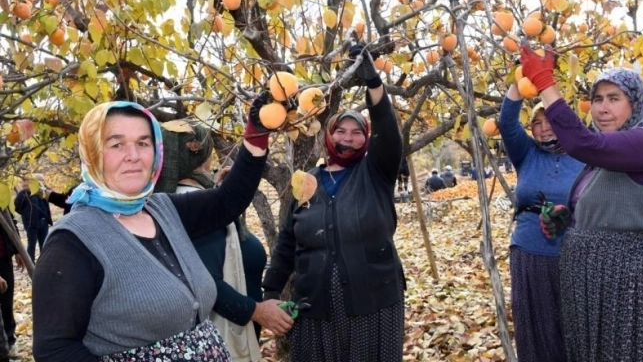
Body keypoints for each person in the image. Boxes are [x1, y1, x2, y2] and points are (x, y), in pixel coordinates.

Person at [32, 96, 280, 361]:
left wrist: (257, 131)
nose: (133, 156)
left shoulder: (162, 210)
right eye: (117, 144)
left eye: (143, 143)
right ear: (92, 153)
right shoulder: (72, 243)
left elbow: (228, 200)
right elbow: (55, 350)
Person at [521, 44, 643, 362]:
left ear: (634, 104)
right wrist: (569, 218)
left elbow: (580, 141)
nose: (603, 108)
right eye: (597, 99)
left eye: (614, 98)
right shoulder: (601, 158)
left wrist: (543, 83)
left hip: (630, 274)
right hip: (590, 275)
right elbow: (604, 200)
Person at [259, 44, 405, 361]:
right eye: (341, 130)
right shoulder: (307, 181)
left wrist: (373, 83)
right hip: (316, 308)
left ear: (366, 139)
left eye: (357, 133)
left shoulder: (375, 172)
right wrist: (271, 290)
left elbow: (389, 133)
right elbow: (287, 240)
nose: (348, 138)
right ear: (329, 136)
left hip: (373, 305)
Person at [154, 119, 268, 362]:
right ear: (196, 155)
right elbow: (207, 281)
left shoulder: (171, 200)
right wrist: (258, 312)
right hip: (223, 340)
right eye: (207, 150)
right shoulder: (196, 207)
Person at [498, 90, 585, 362]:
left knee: (570, 328)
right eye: (537, 122)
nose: (544, 127)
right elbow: (507, 121)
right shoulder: (527, 153)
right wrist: (519, 79)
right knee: (534, 328)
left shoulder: (584, 154)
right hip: (529, 253)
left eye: (551, 120)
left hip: (572, 256)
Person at [13, 178, 52, 262]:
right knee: (32, 245)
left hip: (43, 222)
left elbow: (48, 201)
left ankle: (44, 263)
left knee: (44, 244)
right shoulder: (24, 193)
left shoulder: (43, 191)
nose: (41, 182)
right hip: (31, 224)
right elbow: (16, 207)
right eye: (39, 180)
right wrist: (26, 214)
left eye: (41, 180)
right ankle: (31, 264)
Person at [0, 209, 20, 357]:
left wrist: (18, 250)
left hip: (4, 259)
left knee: (7, 302)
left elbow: (11, 224)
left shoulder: (2, 199)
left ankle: (10, 340)